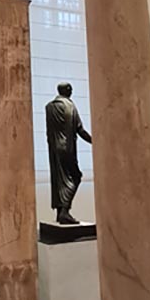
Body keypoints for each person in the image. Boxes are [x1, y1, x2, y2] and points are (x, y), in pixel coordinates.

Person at [45, 83, 92, 225]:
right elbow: (80, 129)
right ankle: (65, 210)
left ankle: (60, 213)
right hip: (67, 148)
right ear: (67, 91)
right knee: (76, 176)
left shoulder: (49, 106)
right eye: (70, 89)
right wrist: (94, 141)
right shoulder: (70, 106)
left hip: (54, 148)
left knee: (58, 179)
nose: (72, 91)